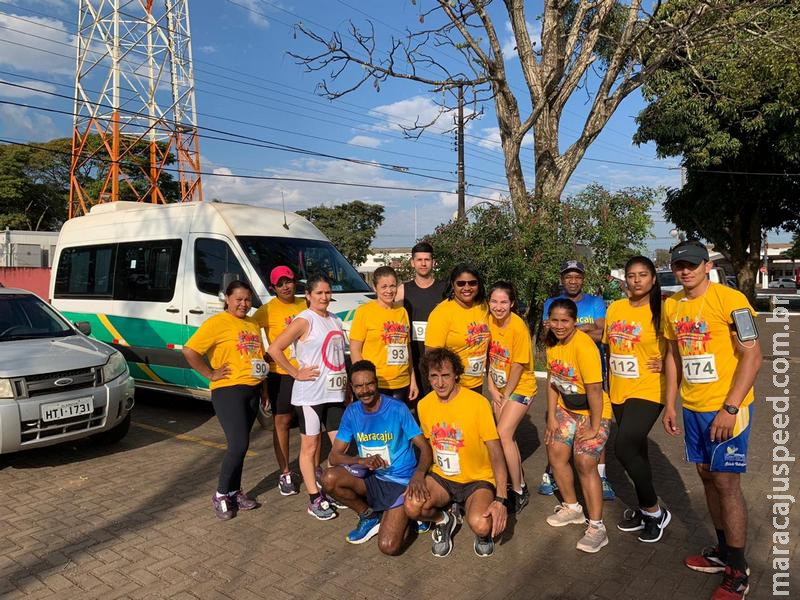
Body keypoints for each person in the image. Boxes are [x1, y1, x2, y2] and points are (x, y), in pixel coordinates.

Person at [661, 240, 761, 600]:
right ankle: (722, 552)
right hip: (693, 407)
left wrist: (730, 408)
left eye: (691, 264)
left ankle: (738, 571)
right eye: (678, 265)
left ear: (707, 265)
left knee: (726, 483)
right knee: (705, 475)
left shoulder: (731, 300)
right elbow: (673, 355)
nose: (684, 271)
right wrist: (670, 403)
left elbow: (753, 357)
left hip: (727, 409)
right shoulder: (671, 305)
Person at [404, 348, 508, 558]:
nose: (440, 383)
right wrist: (418, 474)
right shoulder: (424, 405)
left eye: (445, 376)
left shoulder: (477, 403)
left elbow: (496, 452)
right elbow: (426, 446)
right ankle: (444, 519)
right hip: (442, 477)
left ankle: (478, 528)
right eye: (434, 376)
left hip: (477, 479)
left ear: (456, 375)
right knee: (412, 507)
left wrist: (501, 499)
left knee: (481, 524)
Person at [321, 360, 432, 553]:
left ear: (376, 383)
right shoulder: (352, 412)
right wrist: (360, 461)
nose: (365, 390)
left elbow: (425, 448)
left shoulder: (397, 409)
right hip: (371, 478)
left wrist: (419, 475)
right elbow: (334, 456)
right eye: (359, 386)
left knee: (389, 546)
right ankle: (369, 516)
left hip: (400, 482)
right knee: (328, 478)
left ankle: (409, 516)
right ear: (352, 388)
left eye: (369, 384)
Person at [183, 280, 265, 520]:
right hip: (228, 391)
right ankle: (220, 494)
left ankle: (234, 491)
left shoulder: (252, 323)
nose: (243, 304)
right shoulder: (216, 323)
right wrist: (210, 373)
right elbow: (190, 350)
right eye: (238, 299)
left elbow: (257, 357)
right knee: (237, 444)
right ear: (227, 299)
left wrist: (265, 390)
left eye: (247, 299)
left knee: (243, 445)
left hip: (253, 389)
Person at [268, 273, 347, 521]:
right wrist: (295, 372)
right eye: (319, 293)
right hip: (310, 395)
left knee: (340, 444)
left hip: (334, 393)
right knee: (310, 446)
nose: (324, 297)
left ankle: (331, 487)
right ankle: (314, 498)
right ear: (309, 296)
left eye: (327, 292)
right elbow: (274, 349)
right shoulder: (304, 320)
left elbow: (339, 356)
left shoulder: (334, 319)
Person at [604, 257, 671, 543]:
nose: (636, 280)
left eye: (643, 275)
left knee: (624, 446)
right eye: (631, 275)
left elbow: (678, 349)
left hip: (649, 388)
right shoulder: (615, 308)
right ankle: (646, 510)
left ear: (653, 279)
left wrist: (666, 362)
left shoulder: (663, 309)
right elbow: (610, 348)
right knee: (637, 450)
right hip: (620, 389)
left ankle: (654, 511)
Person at [539, 259, 615, 501]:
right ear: (562, 279)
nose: (573, 280)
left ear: (583, 278)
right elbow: (547, 333)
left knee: (594, 421)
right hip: (564, 372)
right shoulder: (551, 303)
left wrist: (575, 331)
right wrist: (585, 328)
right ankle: (553, 472)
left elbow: (602, 333)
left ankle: (601, 476)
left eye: (577, 276)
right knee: (556, 429)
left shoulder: (595, 302)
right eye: (568, 276)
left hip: (591, 370)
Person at [544, 298, 612, 553]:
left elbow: (595, 389)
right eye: (555, 320)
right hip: (566, 409)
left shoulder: (583, 346)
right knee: (556, 451)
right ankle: (572, 508)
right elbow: (552, 381)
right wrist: (551, 416)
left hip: (594, 411)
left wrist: (594, 426)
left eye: (565, 321)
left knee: (585, 461)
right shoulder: (552, 343)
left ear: (574, 322)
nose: (559, 326)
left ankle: (597, 526)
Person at [253, 266, 307, 496]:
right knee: (282, 423)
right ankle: (285, 472)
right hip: (280, 375)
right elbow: (248, 334)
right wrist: (262, 376)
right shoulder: (265, 311)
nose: (286, 286)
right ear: (273, 287)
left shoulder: (305, 304)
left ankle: (311, 467)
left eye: (290, 281)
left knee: (309, 424)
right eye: (280, 283)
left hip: (306, 373)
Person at [486, 281, 537, 513]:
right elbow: (487, 357)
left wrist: (505, 395)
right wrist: (492, 388)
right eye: (494, 301)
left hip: (520, 388)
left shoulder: (518, 327)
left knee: (503, 434)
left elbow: (517, 366)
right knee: (509, 438)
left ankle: (517, 490)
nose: (498, 306)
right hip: (498, 387)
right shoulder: (488, 322)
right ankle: (519, 482)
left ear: (512, 303)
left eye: (503, 302)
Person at [350, 266, 418, 405]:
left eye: (392, 286)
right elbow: (355, 349)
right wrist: (363, 381)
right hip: (376, 382)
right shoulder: (364, 312)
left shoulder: (402, 311)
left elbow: (407, 349)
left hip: (401, 382)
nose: (389, 291)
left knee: (394, 425)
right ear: (375, 288)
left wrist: (413, 380)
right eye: (384, 286)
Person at [425, 264, 490, 395]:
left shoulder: (484, 306)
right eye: (461, 283)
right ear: (453, 285)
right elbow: (431, 355)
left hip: (476, 383)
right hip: (453, 387)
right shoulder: (441, 313)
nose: (467, 288)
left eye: (472, 283)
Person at [397, 242, 448, 399]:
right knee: (416, 405)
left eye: (427, 259)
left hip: (439, 358)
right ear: (412, 262)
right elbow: (395, 321)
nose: (423, 263)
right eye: (419, 260)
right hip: (413, 359)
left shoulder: (445, 288)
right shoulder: (403, 290)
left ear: (434, 262)